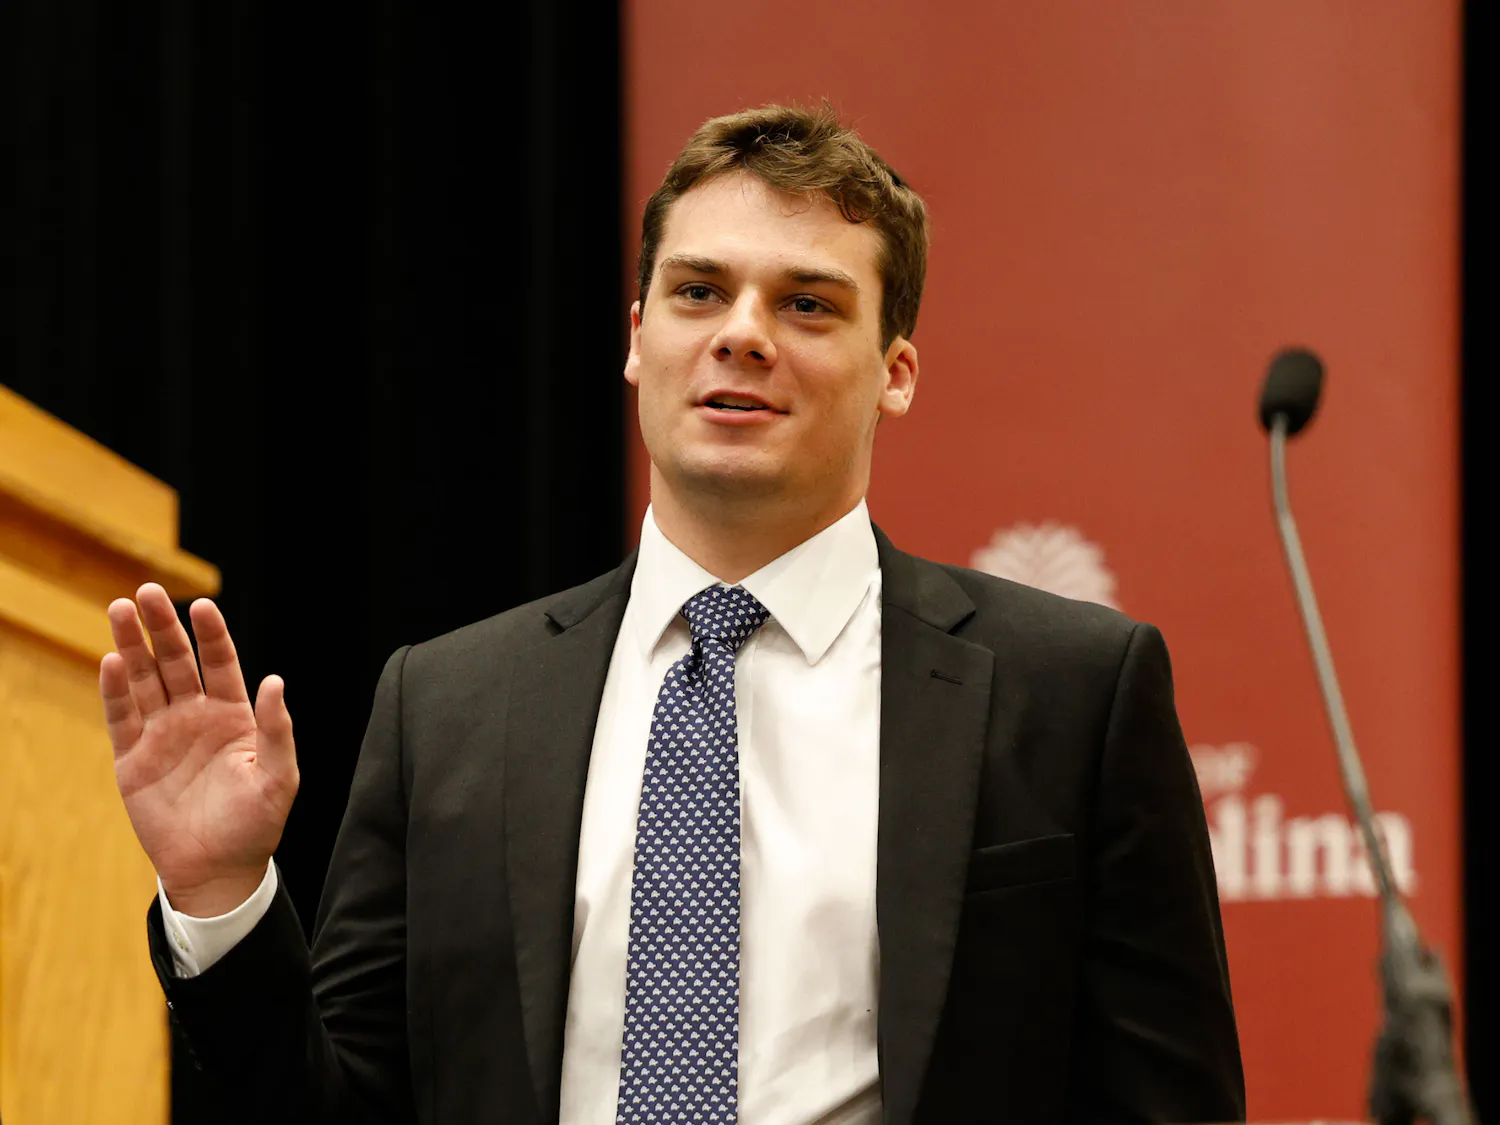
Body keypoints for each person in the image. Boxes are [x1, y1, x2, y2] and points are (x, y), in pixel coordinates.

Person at [102, 104, 1245, 1124]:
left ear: (895, 370)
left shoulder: (1071, 691)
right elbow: (339, 1102)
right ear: (637, 336)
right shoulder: (447, 705)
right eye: (700, 291)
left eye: (806, 303)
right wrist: (220, 897)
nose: (742, 331)